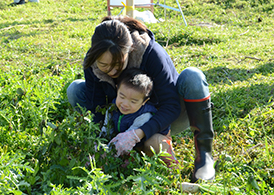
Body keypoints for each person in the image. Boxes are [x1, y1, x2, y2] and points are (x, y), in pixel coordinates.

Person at [67, 16, 215, 182]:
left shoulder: (150, 53)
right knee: (75, 89)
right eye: (104, 65)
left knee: (193, 76)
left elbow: (171, 105)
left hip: (166, 116)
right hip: (123, 118)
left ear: (129, 50)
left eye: (118, 63)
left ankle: (204, 158)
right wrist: (98, 145)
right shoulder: (93, 63)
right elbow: (97, 107)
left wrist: (138, 133)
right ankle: (129, 151)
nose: (112, 71)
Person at [99, 68, 179, 169]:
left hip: (145, 143)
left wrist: (107, 154)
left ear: (144, 102)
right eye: (122, 96)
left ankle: (172, 165)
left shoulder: (144, 116)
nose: (125, 104)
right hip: (131, 146)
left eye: (133, 101)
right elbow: (106, 131)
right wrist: (100, 146)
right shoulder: (112, 108)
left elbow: (126, 141)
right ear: (117, 90)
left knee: (153, 142)